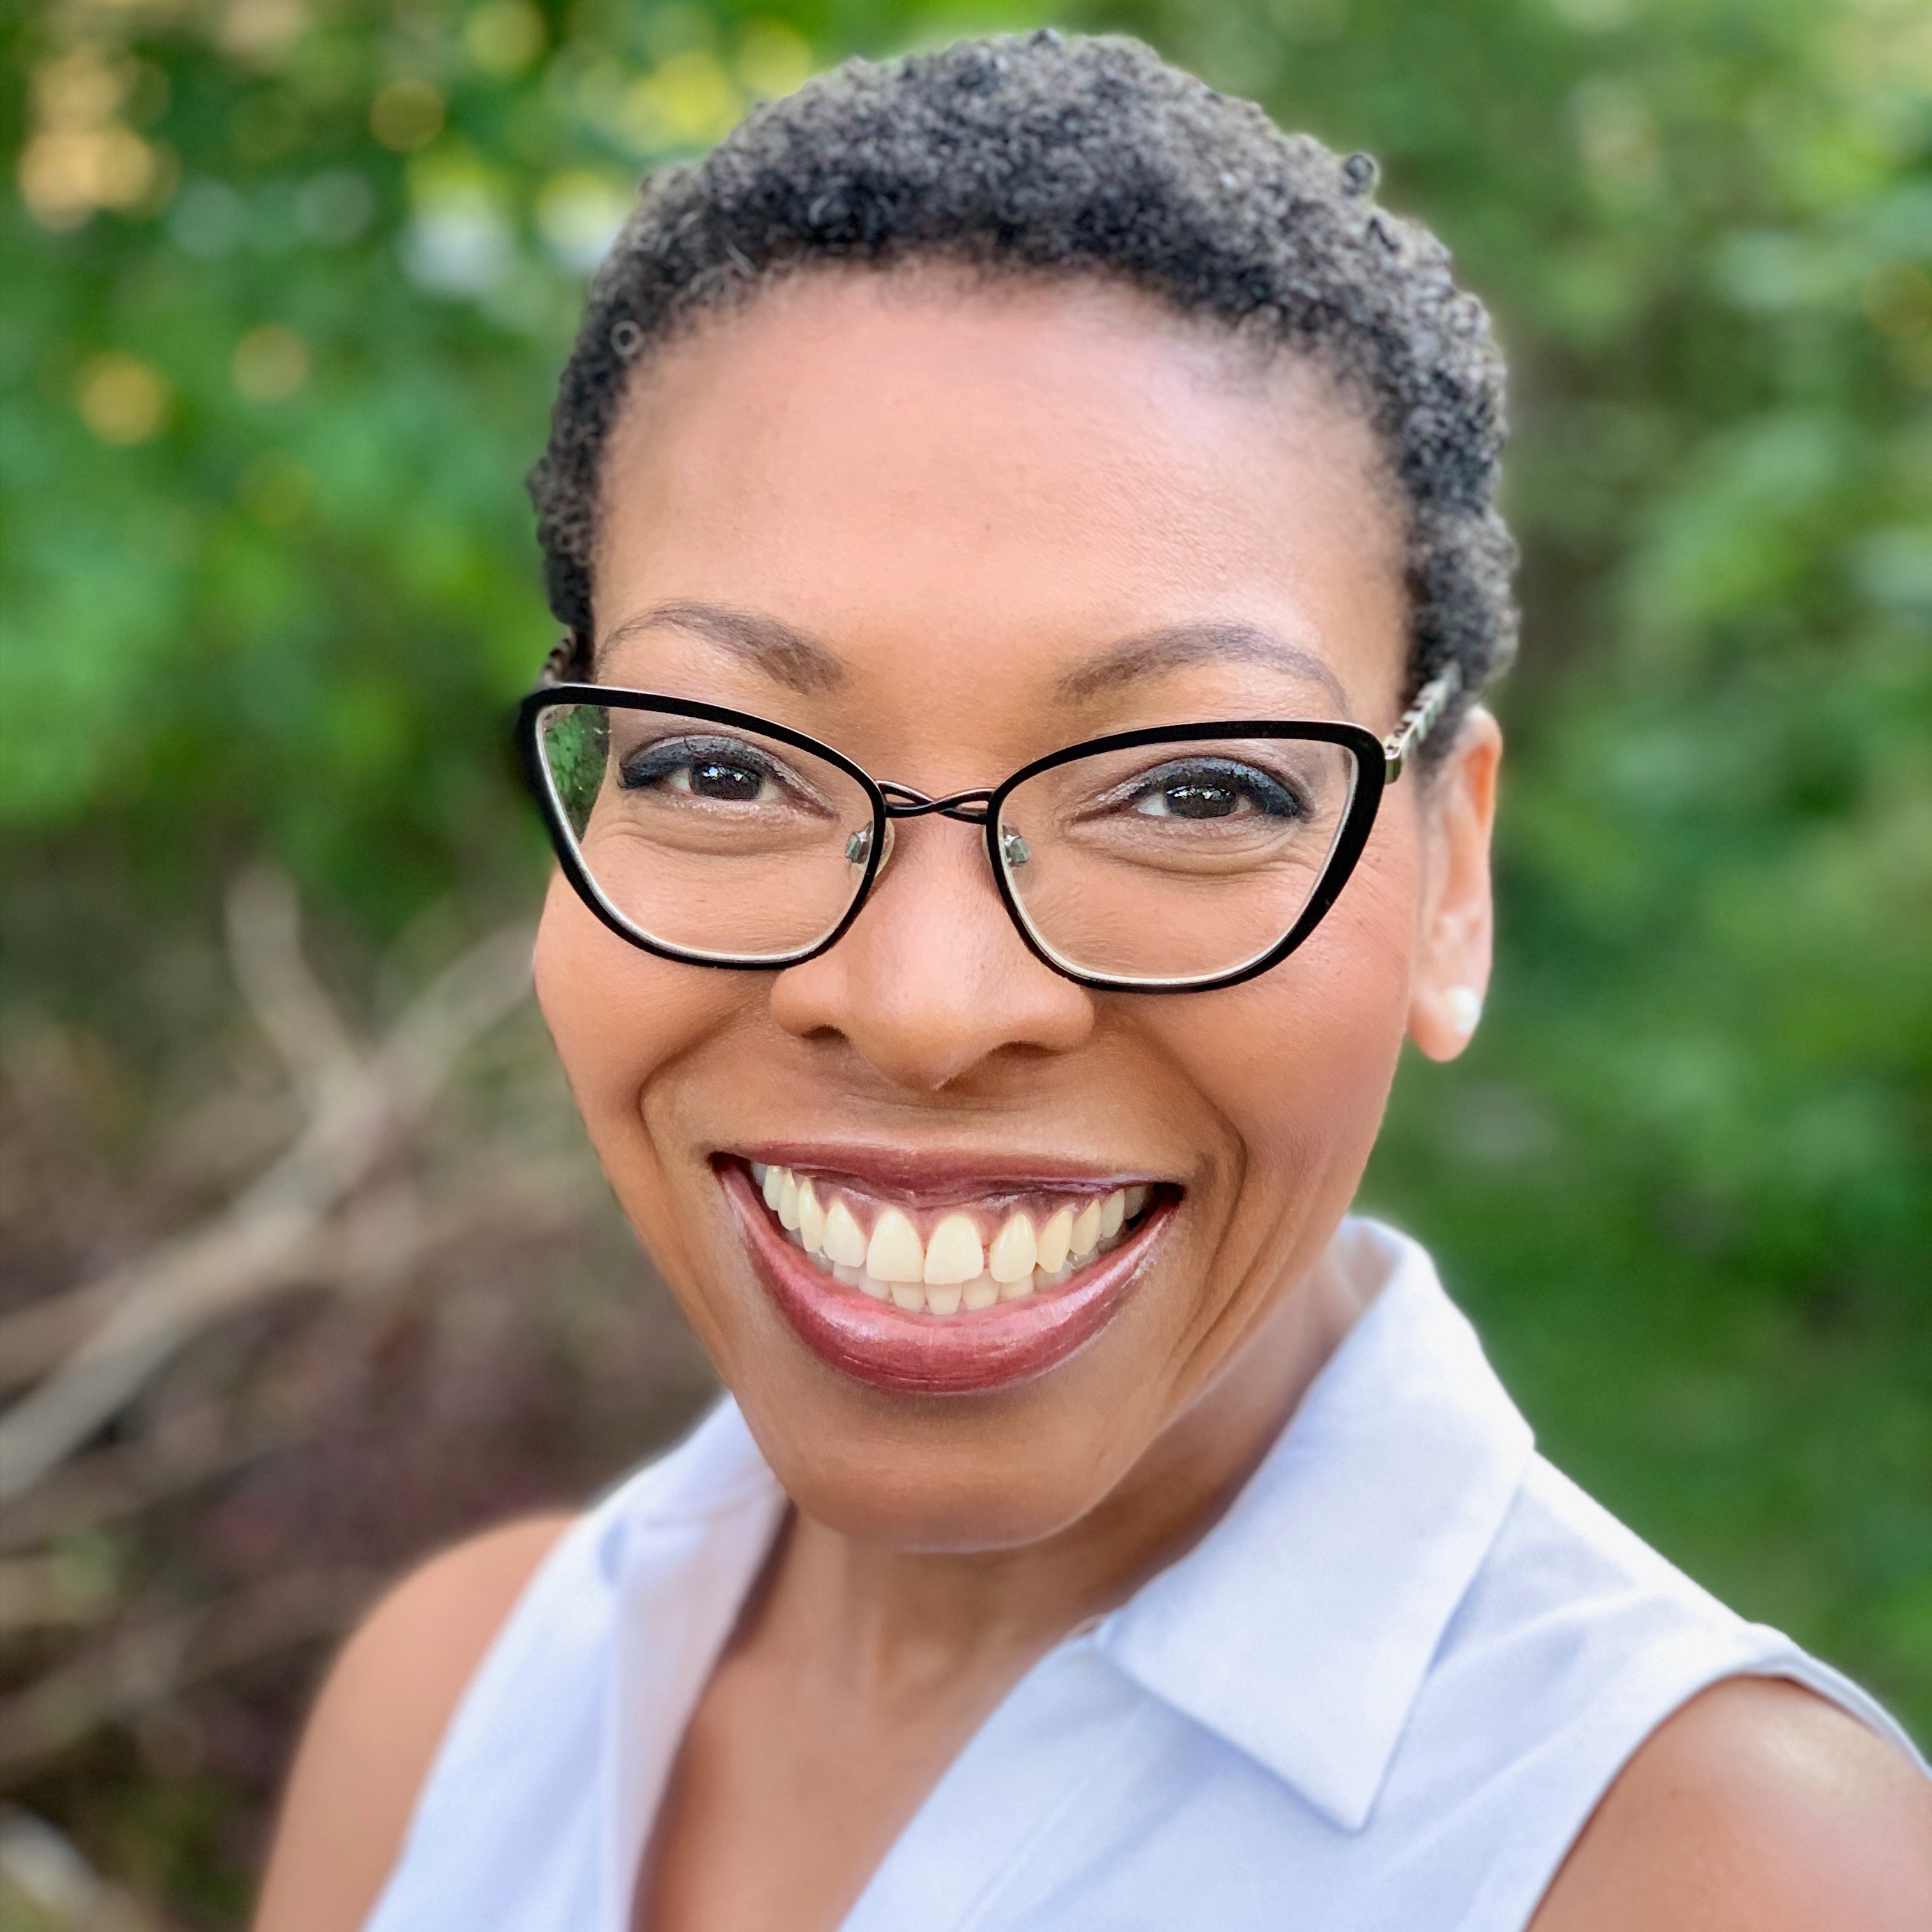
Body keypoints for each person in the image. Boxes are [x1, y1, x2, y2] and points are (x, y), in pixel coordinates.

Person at [252, 31, 1932, 1932]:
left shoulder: (1725, 1872)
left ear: (1449, 875)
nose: (925, 1001)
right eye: (721, 766)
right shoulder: (454, 1709)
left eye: (1191, 789)